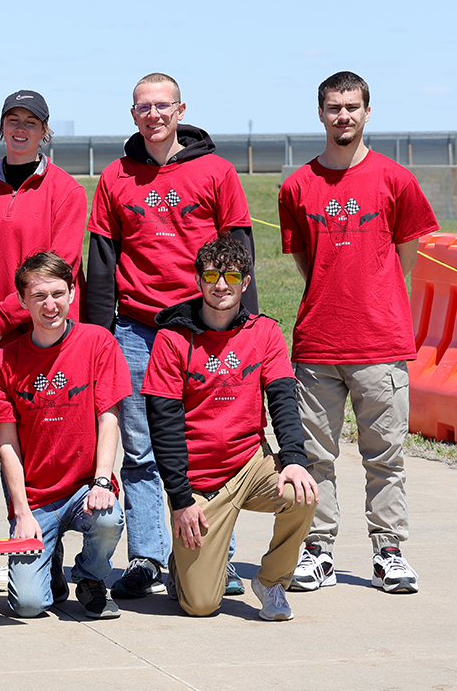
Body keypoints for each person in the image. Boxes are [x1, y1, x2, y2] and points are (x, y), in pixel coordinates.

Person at [86, 72, 257, 600]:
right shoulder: (115, 176)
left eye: (163, 106)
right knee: (139, 452)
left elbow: (240, 251)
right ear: (132, 114)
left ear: (181, 109)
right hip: (137, 330)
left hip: (203, 328)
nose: (153, 115)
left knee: (204, 447)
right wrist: (94, 339)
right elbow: (102, 262)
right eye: (143, 107)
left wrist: (244, 327)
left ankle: (215, 557)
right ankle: (147, 556)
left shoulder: (217, 171)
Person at [279, 71, 437, 594]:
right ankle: (317, 551)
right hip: (318, 343)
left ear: (368, 112)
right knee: (315, 457)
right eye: (333, 107)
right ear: (319, 113)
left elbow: (406, 254)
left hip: (380, 342)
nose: (342, 115)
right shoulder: (297, 186)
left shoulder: (396, 179)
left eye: (352, 106)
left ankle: (388, 551)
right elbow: (306, 259)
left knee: (385, 456)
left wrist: (375, 294)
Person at [143, 237, 318, 620]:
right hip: (200, 481)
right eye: (211, 275)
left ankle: (270, 581)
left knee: (303, 493)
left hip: (249, 465)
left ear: (246, 281)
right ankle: (182, 567)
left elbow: (283, 400)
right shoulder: (172, 339)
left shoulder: (265, 332)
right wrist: (180, 500)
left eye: (231, 276)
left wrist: (292, 459)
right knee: (201, 605)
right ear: (198, 280)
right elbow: (163, 425)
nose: (221, 285)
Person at [0, 90, 88, 592]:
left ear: (45, 131)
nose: (21, 128)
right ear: (1, 127)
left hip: (46, 334)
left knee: (51, 439)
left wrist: (11, 312)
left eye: (31, 121)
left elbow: (65, 262)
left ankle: (58, 543)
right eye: (13, 119)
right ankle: (22, 537)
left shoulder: (66, 192)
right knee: (9, 444)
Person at [0, 253, 127, 619]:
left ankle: (91, 579)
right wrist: (21, 512)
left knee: (108, 519)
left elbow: (109, 419)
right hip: (37, 498)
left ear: (72, 293)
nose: (51, 304)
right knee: (29, 606)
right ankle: (51, 567)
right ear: (23, 301)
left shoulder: (98, 342)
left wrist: (103, 481)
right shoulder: (2, 362)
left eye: (58, 293)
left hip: (83, 488)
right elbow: (7, 445)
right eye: (39, 296)